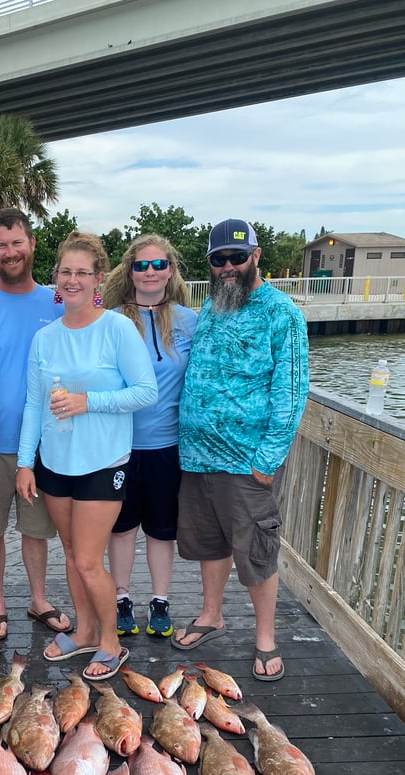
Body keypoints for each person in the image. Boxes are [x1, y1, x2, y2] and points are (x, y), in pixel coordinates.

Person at [16, 232, 159, 680]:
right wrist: (25, 461)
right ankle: (82, 632)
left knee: (86, 560)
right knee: (73, 551)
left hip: (103, 463)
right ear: (55, 278)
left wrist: (87, 401)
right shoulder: (45, 337)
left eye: (82, 273)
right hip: (56, 465)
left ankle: (111, 643)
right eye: (66, 272)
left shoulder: (117, 328)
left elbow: (146, 392)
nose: (72, 280)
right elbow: (33, 405)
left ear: (98, 279)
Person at [171, 218, 309, 681]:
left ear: (256, 255)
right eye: (218, 259)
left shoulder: (281, 313)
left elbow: (290, 393)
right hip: (197, 458)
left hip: (247, 462)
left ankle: (265, 637)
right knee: (211, 544)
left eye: (236, 257)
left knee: (256, 551)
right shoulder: (211, 307)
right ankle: (212, 614)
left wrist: (267, 461)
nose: (228, 266)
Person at [0, 208, 70, 641]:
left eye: (17, 242)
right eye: (1, 245)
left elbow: (102, 308)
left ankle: (38, 599)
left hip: (45, 445)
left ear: (32, 243)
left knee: (36, 529)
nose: (10, 252)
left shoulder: (59, 300)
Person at [103, 234, 196, 639]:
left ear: (170, 271)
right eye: (141, 265)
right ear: (129, 272)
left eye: (159, 265)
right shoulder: (111, 320)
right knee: (121, 528)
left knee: (161, 530)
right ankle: (121, 598)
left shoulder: (190, 321)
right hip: (119, 446)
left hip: (168, 446)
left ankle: (160, 600)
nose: (151, 272)